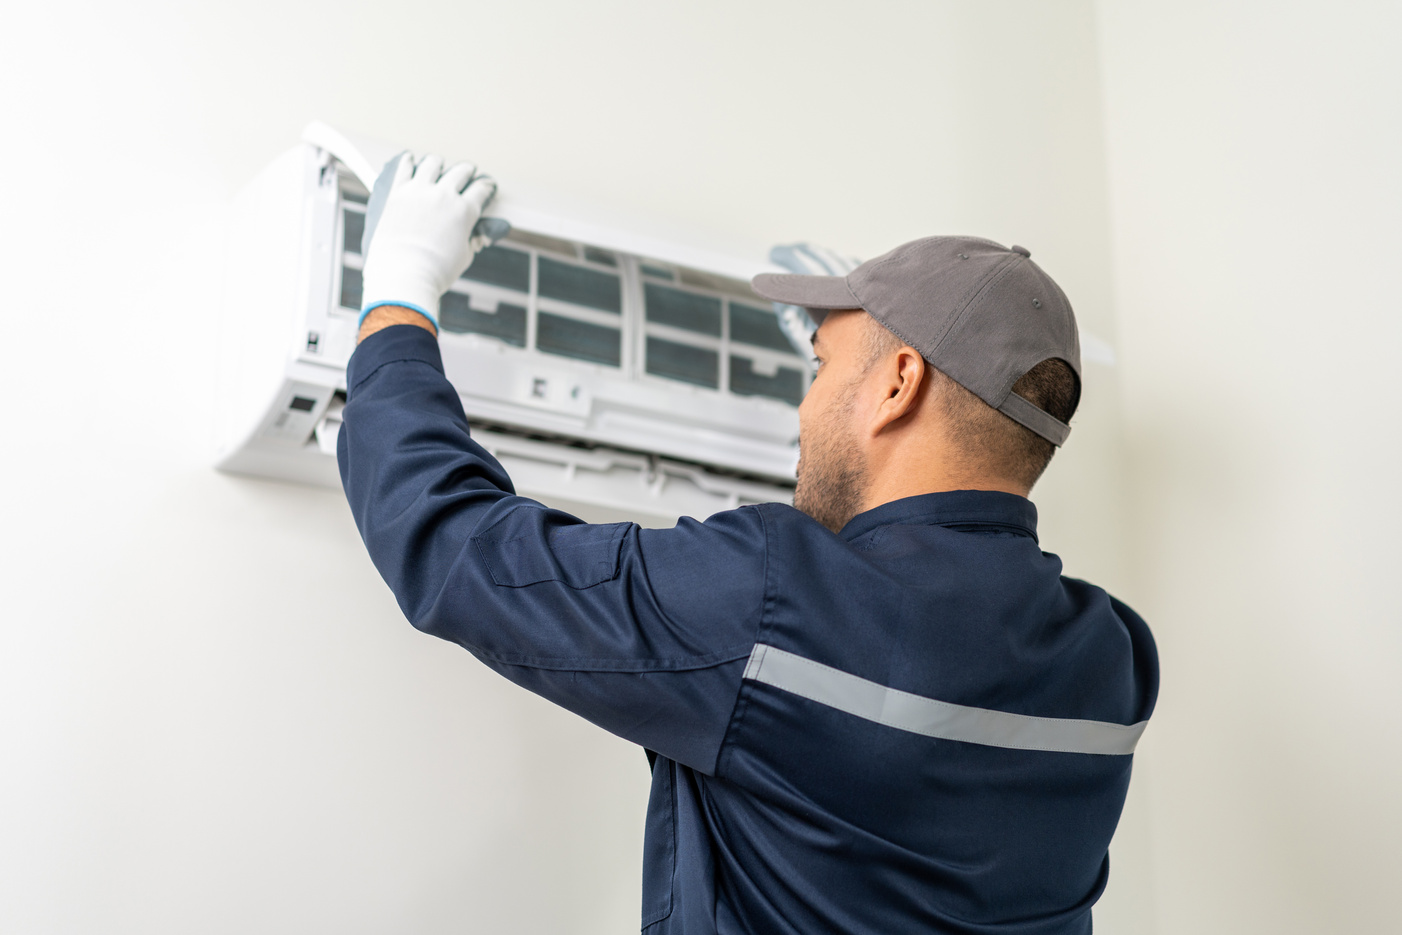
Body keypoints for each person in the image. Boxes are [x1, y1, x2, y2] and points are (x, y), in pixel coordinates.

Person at [338, 153, 1159, 935]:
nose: (805, 406)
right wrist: (854, 397)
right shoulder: (1114, 664)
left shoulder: (764, 600)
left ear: (900, 383)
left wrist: (401, 288)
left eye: (818, 367)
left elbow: (454, 547)